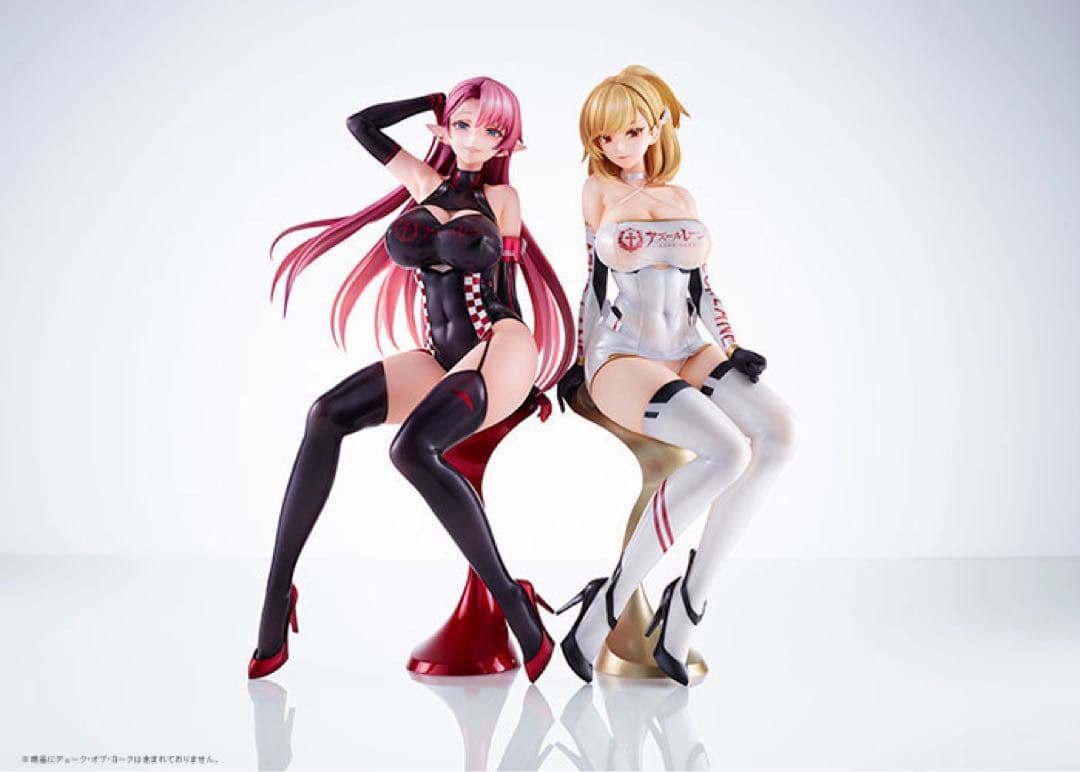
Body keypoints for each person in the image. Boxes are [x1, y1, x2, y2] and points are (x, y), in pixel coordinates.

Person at [249, 76, 574, 682]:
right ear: (443, 130)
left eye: (491, 130)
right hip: (440, 355)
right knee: (325, 415)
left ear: (509, 143)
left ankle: (512, 601)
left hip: (500, 342)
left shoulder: (503, 200)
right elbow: (361, 125)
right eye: (462, 125)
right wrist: (430, 101)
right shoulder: (422, 183)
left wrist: (524, 379)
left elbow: (505, 288)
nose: (474, 139)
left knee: (410, 449)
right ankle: (276, 592)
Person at [557, 65, 798, 685]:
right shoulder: (598, 191)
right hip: (622, 352)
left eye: (632, 131)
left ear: (657, 125)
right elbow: (593, 283)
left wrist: (732, 345)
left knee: (778, 434)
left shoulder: (683, 198)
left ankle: (689, 599)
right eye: (604, 136)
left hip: (689, 344)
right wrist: (577, 361)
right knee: (726, 451)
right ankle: (608, 603)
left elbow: (702, 287)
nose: (617, 146)